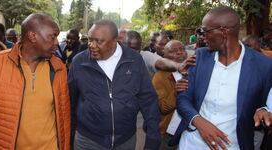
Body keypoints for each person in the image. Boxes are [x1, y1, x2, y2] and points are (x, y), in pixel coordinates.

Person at [171, 6, 272, 150]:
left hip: (233, 145)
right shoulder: (199, 57)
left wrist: (264, 110)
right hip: (192, 143)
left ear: (224, 32)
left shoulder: (263, 65)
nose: (202, 36)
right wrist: (198, 121)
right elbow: (183, 99)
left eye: (205, 31)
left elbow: (266, 104)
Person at [0, 13, 71, 150]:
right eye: (52, 37)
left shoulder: (58, 67)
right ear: (32, 36)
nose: (56, 43)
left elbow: (64, 117)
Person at [69, 19, 161, 150]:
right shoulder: (79, 62)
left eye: (99, 41)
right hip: (88, 141)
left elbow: (148, 100)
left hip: (125, 141)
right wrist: (70, 137)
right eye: (90, 39)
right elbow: (70, 102)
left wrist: (152, 140)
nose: (92, 45)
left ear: (115, 41)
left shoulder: (134, 60)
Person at [152, 40, 187, 150]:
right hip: (169, 133)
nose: (179, 52)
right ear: (165, 56)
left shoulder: (194, 70)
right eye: (173, 51)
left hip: (191, 133)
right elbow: (163, 107)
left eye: (182, 49)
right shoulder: (159, 77)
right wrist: (176, 93)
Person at [122, 30, 195, 77]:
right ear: (122, 45)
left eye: (137, 49)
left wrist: (178, 66)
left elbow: (160, 62)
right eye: (131, 49)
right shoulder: (113, 57)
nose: (134, 53)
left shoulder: (145, 55)